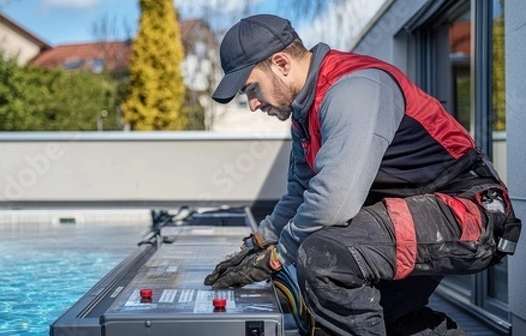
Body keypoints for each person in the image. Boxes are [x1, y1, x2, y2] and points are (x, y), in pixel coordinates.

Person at [203, 14, 522, 336]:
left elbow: (334, 201)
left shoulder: (354, 88)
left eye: (251, 88)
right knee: (375, 316)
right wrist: (255, 244)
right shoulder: (304, 112)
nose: (253, 104)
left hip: (469, 213)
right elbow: (301, 192)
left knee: (324, 255)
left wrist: (275, 257)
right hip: (417, 213)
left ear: (282, 63)